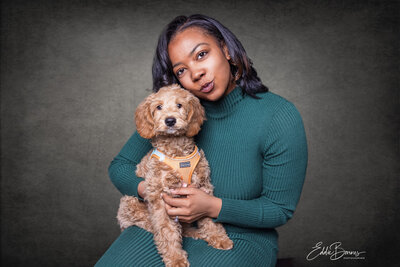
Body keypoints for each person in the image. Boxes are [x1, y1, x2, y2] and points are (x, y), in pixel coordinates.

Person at [95, 14, 308, 267]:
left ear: (226, 50)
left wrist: (211, 207)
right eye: (181, 70)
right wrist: (152, 192)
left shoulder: (278, 116)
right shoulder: (175, 116)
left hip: (241, 238)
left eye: (201, 55)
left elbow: (279, 209)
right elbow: (120, 166)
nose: (196, 73)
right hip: (163, 230)